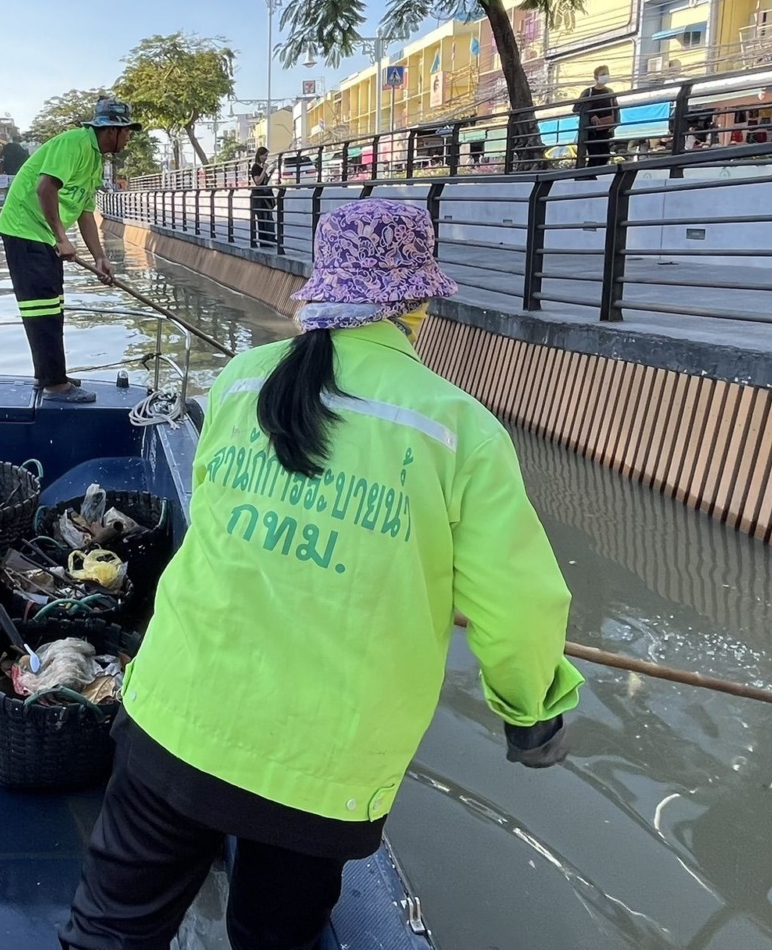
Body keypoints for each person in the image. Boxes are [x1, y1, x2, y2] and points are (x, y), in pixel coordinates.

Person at [61, 198, 584, 950]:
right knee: (277, 937)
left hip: (172, 715)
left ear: (323, 285)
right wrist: (531, 713)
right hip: (317, 768)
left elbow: (217, 521)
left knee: (108, 932)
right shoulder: (457, 428)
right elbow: (519, 606)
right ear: (417, 302)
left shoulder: (243, 378)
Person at [0, 96, 135, 403]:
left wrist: (100, 258)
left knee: (53, 307)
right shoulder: (74, 143)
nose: (129, 138)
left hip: (43, 235)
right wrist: (61, 238)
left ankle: (49, 374)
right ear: (111, 130)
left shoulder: (94, 159)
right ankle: (55, 386)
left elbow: (85, 213)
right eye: (127, 131)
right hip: (25, 229)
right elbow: (45, 188)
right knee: (42, 308)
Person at [574, 66, 619, 169]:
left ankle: (597, 175)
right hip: (591, 130)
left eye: (607, 73)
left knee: (605, 156)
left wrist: (615, 123)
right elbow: (576, 107)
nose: (606, 76)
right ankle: (589, 175)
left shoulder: (610, 92)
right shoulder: (588, 92)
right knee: (594, 156)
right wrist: (591, 115)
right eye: (603, 74)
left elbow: (615, 108)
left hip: (605, 129)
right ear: (595, 77)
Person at [249, 145, 279, 250]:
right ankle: (266, 240)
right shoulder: (256, 167)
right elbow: (258, 182)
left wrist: (269, 172)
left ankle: (268, 239)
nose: (266, 158)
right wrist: (264, 170)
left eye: (267, 156)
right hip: (260, 197)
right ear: (259, 155)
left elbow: (264, 181)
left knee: (267, 218)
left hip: (264, 196)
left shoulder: (261, 167)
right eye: (264, 155)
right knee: (264, 218)